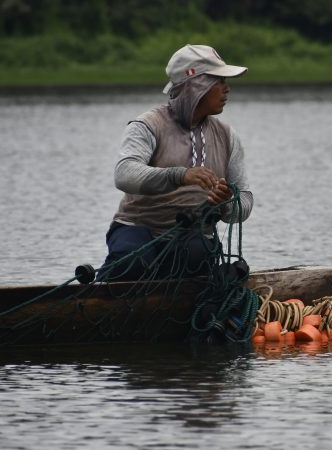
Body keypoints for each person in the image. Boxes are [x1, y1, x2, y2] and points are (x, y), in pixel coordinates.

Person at [101, 45, 253, 281]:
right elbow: (124, 175)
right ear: (196, 86)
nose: (227, 89)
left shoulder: (227, 135)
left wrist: (225, 204)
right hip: (137, 228)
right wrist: (180, 175)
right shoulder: (147, 125)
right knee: (134, 263)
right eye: (219, 81)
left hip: (194, 235)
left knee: (197, 257)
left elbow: (243, 200)